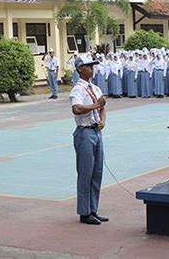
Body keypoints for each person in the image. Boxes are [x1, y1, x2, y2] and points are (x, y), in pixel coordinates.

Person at [69, 54, 109, 225]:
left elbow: (103, 108)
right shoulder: (77, 89)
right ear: (79, 68)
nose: (92, 68)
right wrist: (96, 105)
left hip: (95, 131)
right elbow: (76, 109)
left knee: (97, 172)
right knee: (85, 173)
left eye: (93, 65)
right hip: (84, 132)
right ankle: (84, 212)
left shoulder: (95, 88)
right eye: (88, 66)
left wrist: (102, 120)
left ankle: (93, 209)